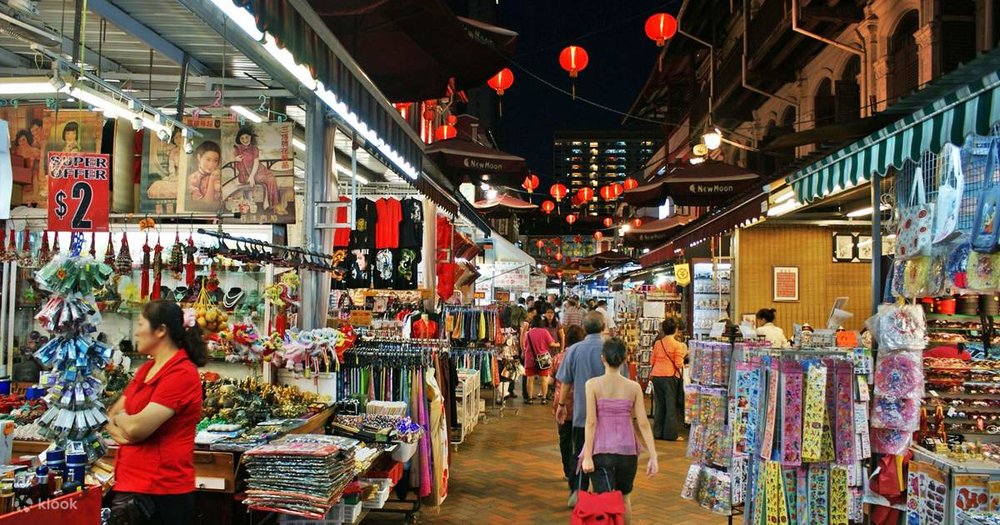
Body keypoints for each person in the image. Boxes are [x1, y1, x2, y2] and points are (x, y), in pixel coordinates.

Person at [106, 300, 207, 525]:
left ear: (161, 330)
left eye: (141, 324)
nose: (137, 332)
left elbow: (135, 427)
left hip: (162, 492)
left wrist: (126, 425)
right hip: (129, 485)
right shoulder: (145, 370)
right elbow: (111, 416)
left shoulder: (181, 373)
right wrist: (128, 428)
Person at [581, 338, 659, 525]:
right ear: (625, 359)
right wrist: (653, 456)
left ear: (603, 359)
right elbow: (643, 423)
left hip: (601, 450)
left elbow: (591, 422)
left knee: (604, 502)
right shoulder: (633, 387)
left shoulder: (592, 385)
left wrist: (587, 456)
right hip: (628, 451)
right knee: (625, 498)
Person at [556, 312, 627, 508]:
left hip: (582, 415)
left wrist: (561, 406)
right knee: (608, 455)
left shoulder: (575, 350)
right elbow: (626, 381)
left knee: (580, 454)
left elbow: (566, 382)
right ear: (604, 325)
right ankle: (607, 494)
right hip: (611, 416)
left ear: (585, 328)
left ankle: (578, 492)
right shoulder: (612, 348)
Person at [553, 325, 586, 488]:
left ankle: (567, 470)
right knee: (580, 440)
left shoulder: (558, 357)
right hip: (581, 403)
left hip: (562, 403)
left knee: (564, 438)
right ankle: (577, 472)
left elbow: (552, 380)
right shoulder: (584, 357)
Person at [650, 317, 687, 440]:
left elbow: (652, 361)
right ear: (676, 329)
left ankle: (657, 432)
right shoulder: (678, 345)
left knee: (659, 405)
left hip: (656, 376)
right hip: (670, 376)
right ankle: (670, 434)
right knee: (671, 406)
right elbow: (678, 364)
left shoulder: (657, 343)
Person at [233, 127, 285, 214]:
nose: (245, 140)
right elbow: (233, 159)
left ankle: (274, 204)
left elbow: (256, 162)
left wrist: (252, 176)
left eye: (247, 137)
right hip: (245, 174)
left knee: (272, 177)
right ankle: (274, 205)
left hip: (257, 170)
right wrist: (235, 158)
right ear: (239, 139)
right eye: (242, 138)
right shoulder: (237, 149)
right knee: (270, 179)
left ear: (250, 137)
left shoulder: (254, 148)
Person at [523, 314, 555, 403]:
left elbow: (525, 346)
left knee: (530, 379)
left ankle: (529, 399)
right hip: (543, 359)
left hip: (530, 359)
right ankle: (544, 399)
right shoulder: (544, 332)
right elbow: (551, 344)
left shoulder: (528, 333)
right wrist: (558, 344)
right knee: (544, 379)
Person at [188, 141, 222, 206]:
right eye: (208, 159)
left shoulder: (219, 175)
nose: (211, 165)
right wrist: (212, 180)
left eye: (215, 160)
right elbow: (206, 203)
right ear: (199, 157)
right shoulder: (193, 179)